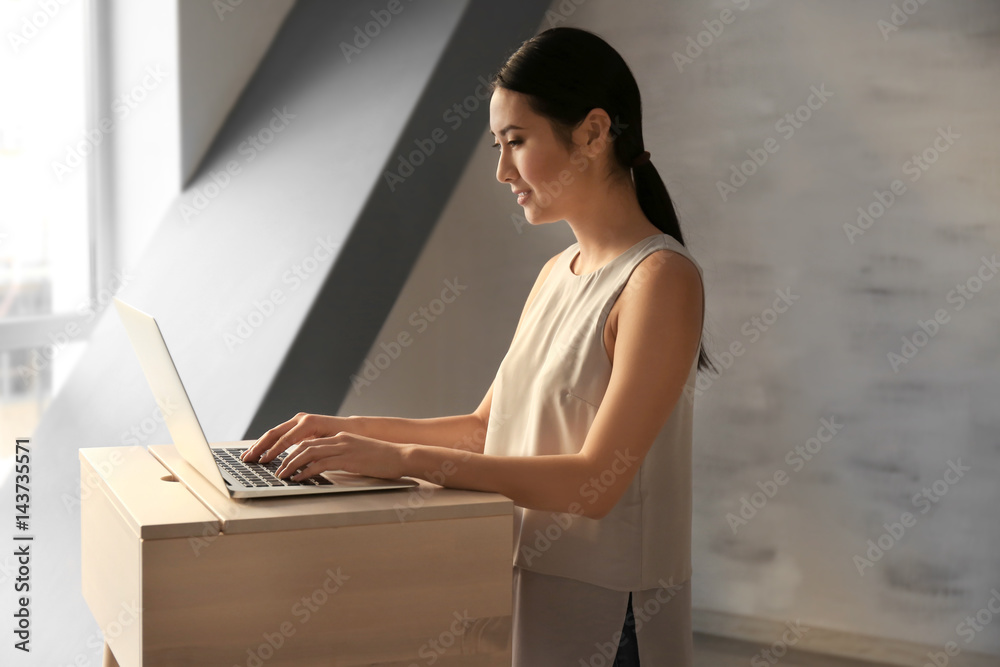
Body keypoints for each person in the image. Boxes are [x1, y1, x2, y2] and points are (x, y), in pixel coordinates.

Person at [241, 26, 712, 666]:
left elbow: (596, 484)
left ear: (595, 132)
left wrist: (399, 457)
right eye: (498, 145)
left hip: (613, 612)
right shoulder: (558, 273)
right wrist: (344, 432)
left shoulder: (660, 280)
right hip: (531, 580)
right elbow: (486, 428)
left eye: (516, 142)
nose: (501, 171)